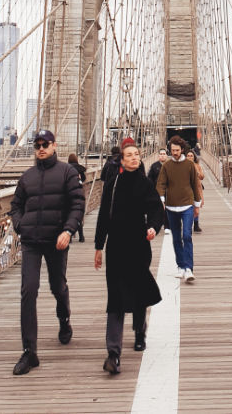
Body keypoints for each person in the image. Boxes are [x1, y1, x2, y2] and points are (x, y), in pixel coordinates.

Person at [9, 129, 85, 376]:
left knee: (57, 286)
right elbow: (15, 206)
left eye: (45, 144)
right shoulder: (27, 177)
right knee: (28, 291)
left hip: (56, 240)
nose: (41, 148)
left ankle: (64, 319)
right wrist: (20, 225)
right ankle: (29, 352)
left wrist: (68, 231)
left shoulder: (67, 172)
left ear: (54, 146)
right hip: (31, 241)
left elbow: (77, 203)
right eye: (37, 144)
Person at [94, 141, 164, 375]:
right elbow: (104, 214)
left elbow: (156, 210)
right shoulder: (113, 185)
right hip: (115, 247)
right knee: (115, 298)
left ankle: (140, 331)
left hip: (138, 245)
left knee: (138, 291)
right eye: (129, 155)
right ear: (122, 160)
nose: (134, 158)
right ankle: (113, 353)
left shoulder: (144, 183)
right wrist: (98, 246)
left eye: (137, 154)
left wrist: (153, 227)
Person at [156, 136, 202, 282]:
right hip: (171, 206)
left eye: (177, 150)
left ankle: (189, 268)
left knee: (186, 236)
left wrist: (197, 205)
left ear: (182, 150)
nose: (174, 152)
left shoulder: (189, 165)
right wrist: (162, 199)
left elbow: (195, 184)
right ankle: (180, 266)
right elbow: (161, 184)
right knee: (176, 238)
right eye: (172, 150)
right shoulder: (166, 166)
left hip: (187, 204)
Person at [148, 149, 170, 233]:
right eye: (160, 154)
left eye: (164, 154)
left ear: (167, 155)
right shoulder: (154, 166)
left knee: (168, 208)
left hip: (168, 190)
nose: (162, 155)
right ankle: (155, 224)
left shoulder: (170, 165)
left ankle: (167, 226)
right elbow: (150, 178)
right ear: (158, 156)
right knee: (158, 208)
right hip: (157, 191)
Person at [67, 153, 87, 243]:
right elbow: (84, 178)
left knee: (68, 215)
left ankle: (69, 237)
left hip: (68, 194)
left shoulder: (66, 168)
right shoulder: (79, 168)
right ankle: (81, 237)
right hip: (78, 193)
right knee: (78, 214)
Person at [186, 149, 204, 233]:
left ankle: (196, 224)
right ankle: (188, 225)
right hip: (186, 190)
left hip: (196, 189)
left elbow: (202, 177)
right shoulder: (183, 166)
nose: (190, 157)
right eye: (188, 156)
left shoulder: (197, 166)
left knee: (196, 207)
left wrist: (197, 172)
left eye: (191, 156)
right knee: (188, 208)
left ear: (194, 157)